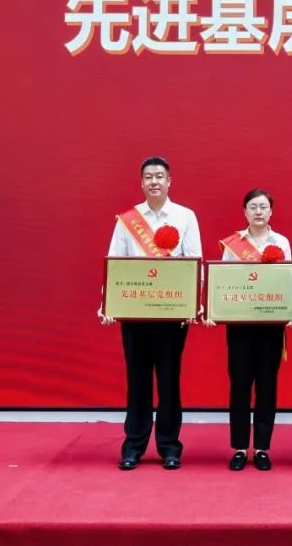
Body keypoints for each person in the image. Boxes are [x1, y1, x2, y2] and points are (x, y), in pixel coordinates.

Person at [99, 156, 202, 471]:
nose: (154, 181)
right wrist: (107, 303)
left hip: (172, 313)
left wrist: (194, 303)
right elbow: (115, 263)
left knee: (169, 380)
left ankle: (170, 446)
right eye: (148, 177)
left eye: (159, 176)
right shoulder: (127, 220)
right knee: (137, 379)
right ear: (141, 183)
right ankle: (134, 446)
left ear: (169, 181)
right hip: (136, 313)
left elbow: (195, 262)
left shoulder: (185, 216)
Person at [208, 188, 292, 472]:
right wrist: (214, 311)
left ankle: (261, 447)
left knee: (267, 386)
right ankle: (239, 447)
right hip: (240, 326)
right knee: (239, 385)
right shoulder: (234, 244)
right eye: (253, 207)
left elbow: (289, 281)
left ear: (271, 212)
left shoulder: (281, 242)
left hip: (271, 326)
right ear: (244, 212)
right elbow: (223, 282)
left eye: (263, 207)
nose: (258, 212)